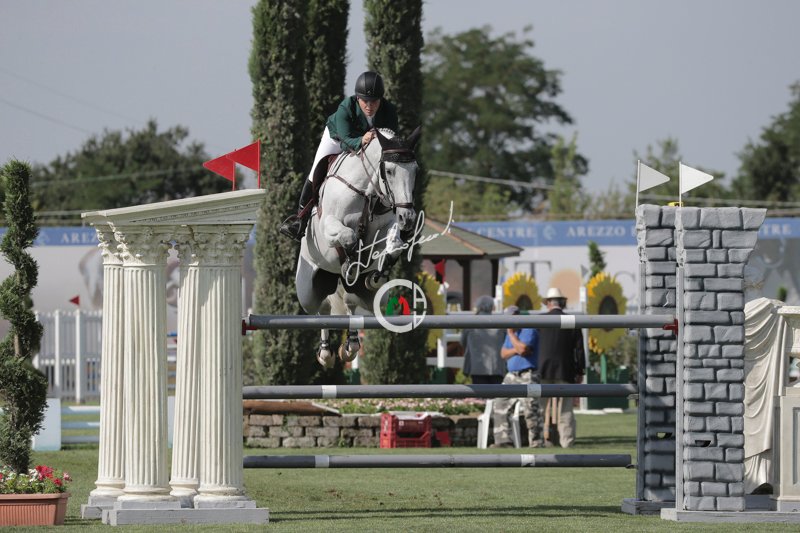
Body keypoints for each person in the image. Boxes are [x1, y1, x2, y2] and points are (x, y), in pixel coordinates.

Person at [279, 71, 399, 241]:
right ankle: (300, 220)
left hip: (368, 143)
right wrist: (361, 140)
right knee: (316, 171)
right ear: (357, 98)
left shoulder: (389, 111)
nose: (369, 106)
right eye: (365, 101)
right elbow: (345, 141)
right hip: (337, 139)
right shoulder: (346, 108)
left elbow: (391, 141)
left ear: (381, 99)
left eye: (374, 101)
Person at [537, 287, 586, 448]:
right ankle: (567, 441)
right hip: (565, 370)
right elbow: (579, 350)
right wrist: (580, 370)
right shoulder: (572, 321)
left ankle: (540, 439)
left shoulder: (539, 321)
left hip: (542, 369)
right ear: (562, 303)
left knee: (540, 408)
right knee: (566, 409)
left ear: (548, 303)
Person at [491, 305, 544, 448]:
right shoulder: (511, 334)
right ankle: (503, 441)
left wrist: (511, 336)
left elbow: (524, 350)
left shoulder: (529, 330)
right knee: (499, 403)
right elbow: (503, 354)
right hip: (511, 375)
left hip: (528, 374)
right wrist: (517, 348)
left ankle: (537, 443)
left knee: (531, 409)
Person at [461, 295, 505, 384]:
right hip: (496, 367)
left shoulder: (470, 323)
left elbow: (463, 342)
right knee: (496, 392)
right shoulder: (500, 323)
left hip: (477, 367)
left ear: (478, 306)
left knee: (479, 392)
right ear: (492, 307)